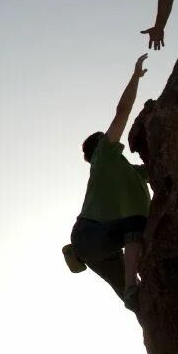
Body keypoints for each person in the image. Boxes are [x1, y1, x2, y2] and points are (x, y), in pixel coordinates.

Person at [62, 55, 151, 311]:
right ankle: (133, 287)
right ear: (99, 145)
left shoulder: (132, 171)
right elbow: (122, 110)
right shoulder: (104, 155)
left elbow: (156, 169)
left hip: (101, 245)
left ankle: (137, 298)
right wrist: (135, 77)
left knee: (133, 300)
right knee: (137, 224)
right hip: (93, 234)